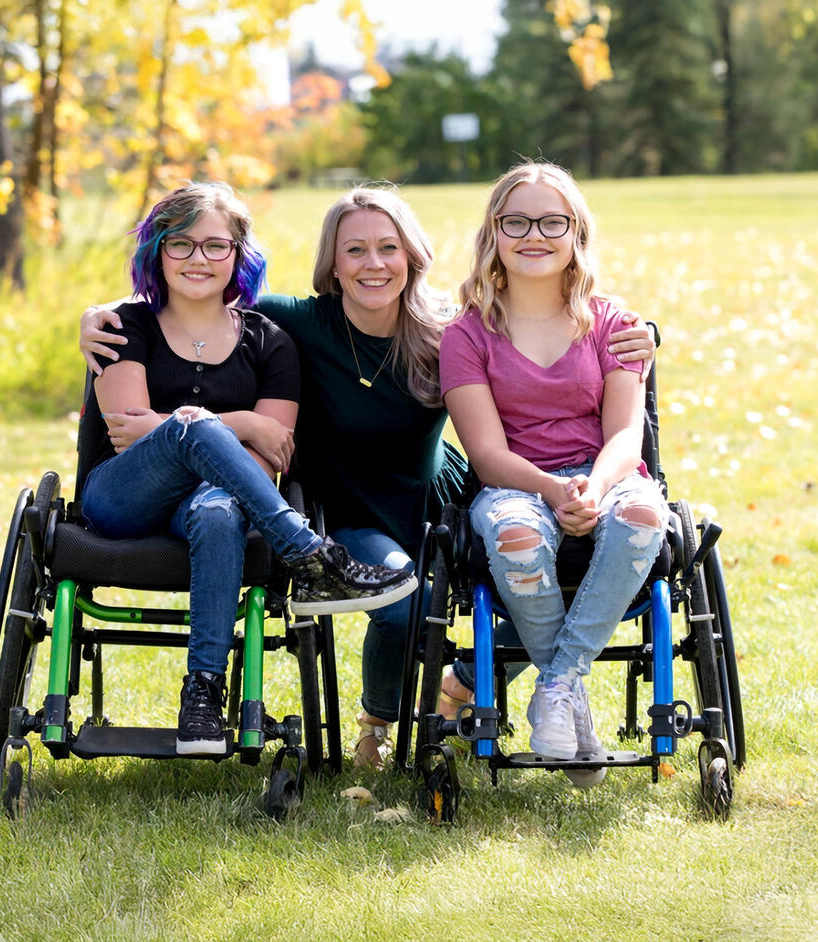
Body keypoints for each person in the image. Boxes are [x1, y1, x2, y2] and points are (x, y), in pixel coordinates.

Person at [80, 185, 657, 768]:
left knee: (548, 584)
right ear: (332, 262)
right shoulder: (293, 323)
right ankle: (377, 726)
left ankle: (459, 682)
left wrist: (644, 339)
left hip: (441, 499)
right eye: (355, 250)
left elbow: (545, 337)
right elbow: (194, 302)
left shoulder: (446, 331)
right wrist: (93, 317)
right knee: (405, 597)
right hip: (353, 509)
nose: (373, 264)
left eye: (388, 248)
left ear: (412, 256)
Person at [81, 182, 416, 757]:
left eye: (215, 245)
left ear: (238, 254)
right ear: (157, 252)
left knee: (218, 509)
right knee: (193, 425)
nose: (198, 259)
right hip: (121, 497)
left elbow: (271, 456)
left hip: (209, 505)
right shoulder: (123, 325)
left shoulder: (270, 342)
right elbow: (126, 432)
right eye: (180, 244)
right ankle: (309, 554)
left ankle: (204, 696)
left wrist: (201, 430)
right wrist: (232, 422)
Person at [439, 161, 669, 780]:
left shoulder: (612, 323)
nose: (533, 235)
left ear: (576, 234)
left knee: (646, 513)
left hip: (608, 473)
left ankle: (558, 684)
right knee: (515, 536)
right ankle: (568, 701)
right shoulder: (467, 335)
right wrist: (551, 488)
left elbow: (627, 432)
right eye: (516, 221)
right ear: (494, 233)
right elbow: (486, 453)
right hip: (514, 483)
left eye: (551, 221)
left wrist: (594, 487)